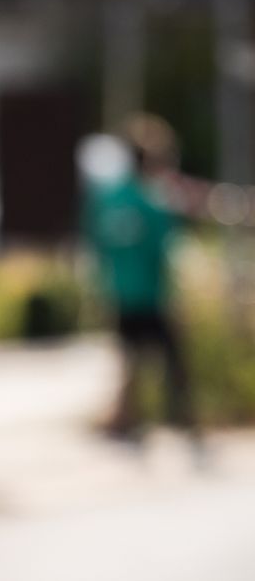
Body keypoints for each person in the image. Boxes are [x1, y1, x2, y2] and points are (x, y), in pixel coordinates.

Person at [81, 113, 202, 449]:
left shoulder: (107, 198)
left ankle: (126, 419)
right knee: (173, 360)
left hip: (119, 290)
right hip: (151, 293)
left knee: (129, 359)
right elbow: (165, 252)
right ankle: (180, 418)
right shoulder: (154, 202)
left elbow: (97, 246)